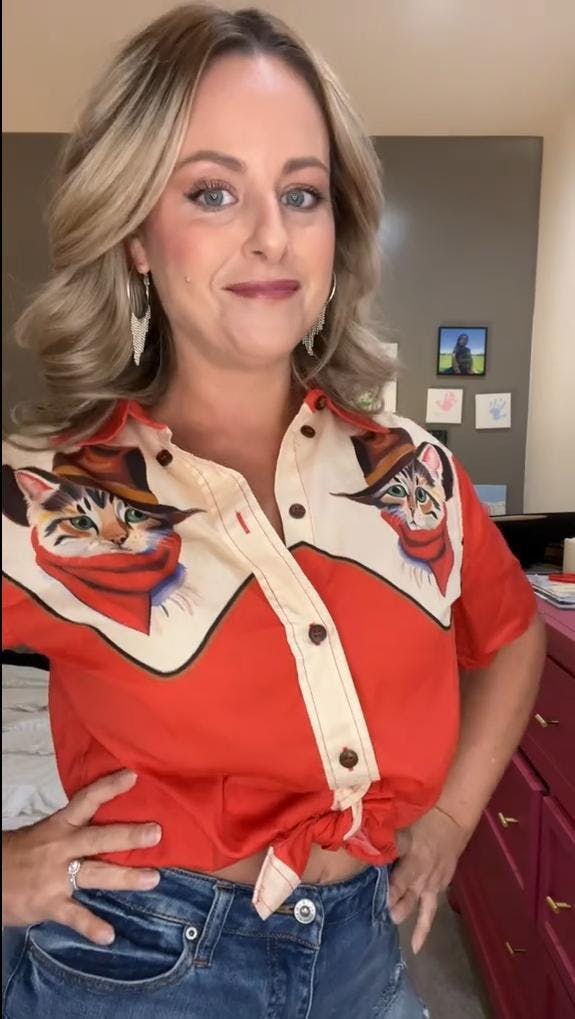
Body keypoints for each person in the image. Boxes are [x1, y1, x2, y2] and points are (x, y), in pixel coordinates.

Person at [2, 6, 544, 1017]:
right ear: (136, 236)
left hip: (365, 952)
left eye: (302, 193)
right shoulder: (51, 491)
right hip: (139, 964)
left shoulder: (409, 468)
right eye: (211, 192)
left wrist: (449, 819)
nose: (271, 235)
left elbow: (511, 635)